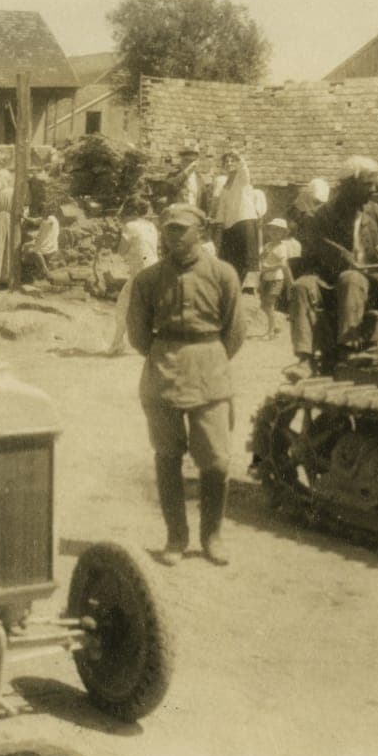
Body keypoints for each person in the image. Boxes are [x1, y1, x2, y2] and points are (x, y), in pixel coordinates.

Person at [127, 203, 246, 566]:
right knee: (167, 457)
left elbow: (235, 332)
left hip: (209, 369)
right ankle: (176, 537)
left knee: (216, 460)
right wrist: (168, 353)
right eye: (168, 229)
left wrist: (206, 356)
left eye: (181, 229)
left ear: (201, 232)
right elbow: (138, 335)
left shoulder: (223, 274)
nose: (172, 235)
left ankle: (212, 536)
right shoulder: (148, 279)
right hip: (163, 370)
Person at [285, 156, 378, 381]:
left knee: (351, 278)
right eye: (367, 184)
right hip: (328, 278)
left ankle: (348, 349)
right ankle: (305, 359)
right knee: (301, 286)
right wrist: (335, 257)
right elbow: (314, 250)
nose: (373, 189)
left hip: (369, 283)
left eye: (374, 184)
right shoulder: (323, 215)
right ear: (349, 184)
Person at [108, 198, 159, 355]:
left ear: (132, 212)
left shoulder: (130, 226)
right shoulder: (151, 226)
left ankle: (117, 344)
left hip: (140, 272)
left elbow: (122, 251)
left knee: (123, 308)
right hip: (155, 269)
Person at [214, 152, 262, 284]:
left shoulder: (241, 178)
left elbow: (244, 170)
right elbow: (222, 208)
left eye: (232, 161)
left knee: (243, 262)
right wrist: (219, 224)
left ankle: (237, 289)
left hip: (244, 222)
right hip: (230, 226)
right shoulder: (224, 184)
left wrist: (239, 157)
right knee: (229, 260)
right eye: (226, 162)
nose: (229, 163)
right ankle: (232, 289)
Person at [259, 218, 294, 340]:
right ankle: (276, 324)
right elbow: (261, 260)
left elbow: (283, 265)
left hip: (276, 279)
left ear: (283, 234)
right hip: (265, 278)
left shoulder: (281, 247)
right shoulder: (268, 245)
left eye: (278, 231)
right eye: (272, 230)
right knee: (263, 305)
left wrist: (267, 267)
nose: (274, 233)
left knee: (270, 304)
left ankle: (270, 332)